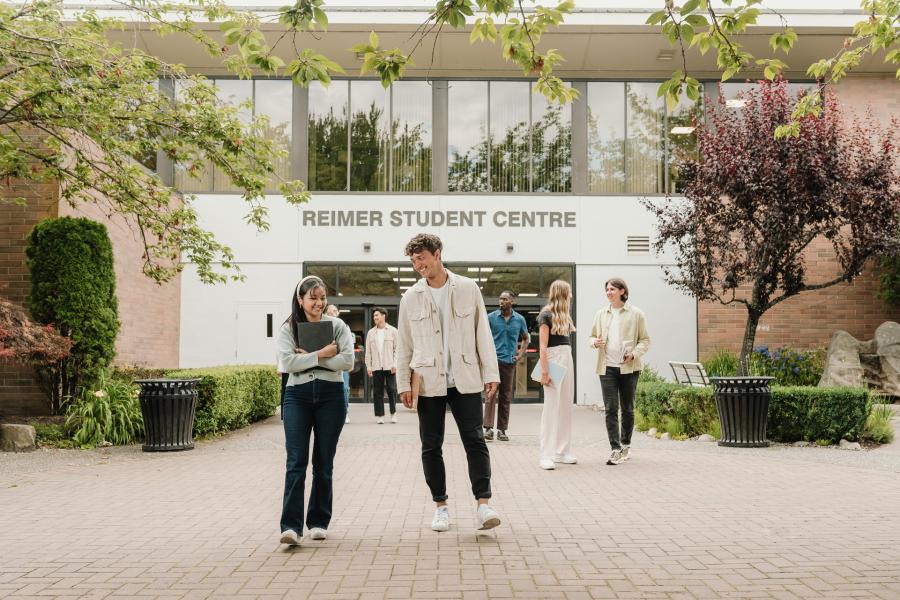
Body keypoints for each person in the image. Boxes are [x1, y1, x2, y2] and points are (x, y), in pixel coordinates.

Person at [396, 233, 502, 533]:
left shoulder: (468, 288)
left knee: (475, 440)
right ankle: (440, 507)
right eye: (414, 261)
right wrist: (403, 382)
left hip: (465, 379)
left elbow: (483, 333)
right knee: (431, 445)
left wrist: (490, 373)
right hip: (428, 382)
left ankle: (484, 504)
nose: (419, 265)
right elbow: (404, 344)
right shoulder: (410, 297)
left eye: (422, 259)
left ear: (437, 254)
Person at [276, 276, 354, 546]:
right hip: (297, 396)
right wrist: (322, 354)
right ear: (300, 300)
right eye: (313, 298)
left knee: (323, 463)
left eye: (322, 298)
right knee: (296, 462)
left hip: (331, 397)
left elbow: (348, 361)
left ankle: (319, 522)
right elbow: (287, 362)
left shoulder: (338, 325)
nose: (319, 303)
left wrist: (306, 359)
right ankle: (291, 527)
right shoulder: (289, 329)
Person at [589, 277, 650, 466]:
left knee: (628, 409)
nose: (608, 292)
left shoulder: (636, 314)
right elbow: (591, 336)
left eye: (612, 289)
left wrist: (633, 354)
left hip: (629, 368)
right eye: (607, 289)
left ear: (622, 291)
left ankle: (625, 444)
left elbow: (645, 340)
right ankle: (615, 448)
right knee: (610, 409)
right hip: (606, 367)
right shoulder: (601, 314)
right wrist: (594, 342)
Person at [537, 280, 577, 470]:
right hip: (552, 358)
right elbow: (543, 346)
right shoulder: (546, 315)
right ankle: (546, 454)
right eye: (569, 292)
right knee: (551, 407)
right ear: (562, 293)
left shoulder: (565, 317)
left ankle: (562, 451)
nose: (571, 296)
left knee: (566, 406)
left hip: (566, 356)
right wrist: (545, 371)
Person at [484, 290, 530, 441]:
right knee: (490, 394)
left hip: (509, 362)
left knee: (505, 397)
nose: (501, 301)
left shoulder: (519, 320)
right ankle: (488, 428)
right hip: (493, 362)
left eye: (504, 299)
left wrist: (520, 354)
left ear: (512, 301)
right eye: (500, 299)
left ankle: (502, 430)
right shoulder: (491, 318)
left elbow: (526, 339)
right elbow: (482, 337)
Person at [365, 307, 400, 424]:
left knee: (392, 389)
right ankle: (380, 415)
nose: (375, 317)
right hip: (376, 366)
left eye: (377, 315)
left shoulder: (393, 331)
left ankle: (393, 413)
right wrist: (368, 366)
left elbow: (397, 350)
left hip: (390, 366)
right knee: (377, 391)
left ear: (383, 316)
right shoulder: (371, 333)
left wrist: (395, 364)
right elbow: (368, 352)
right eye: (374, 316)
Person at [326, 304, 351, 424]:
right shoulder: (324, 326)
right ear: (327, 313)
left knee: (344, 388)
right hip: (327, 362)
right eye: (332, 311)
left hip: (342, 362)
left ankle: (345, 412)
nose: (335, 313)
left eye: (336, 311)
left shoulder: (344, 326)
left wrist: (348, 363)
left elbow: (349, 346)